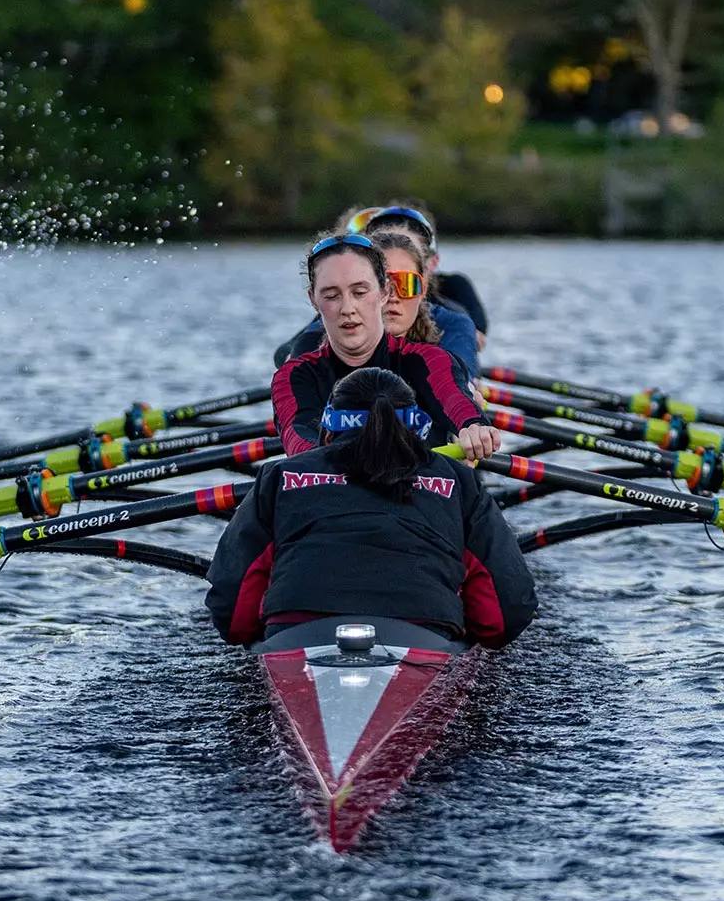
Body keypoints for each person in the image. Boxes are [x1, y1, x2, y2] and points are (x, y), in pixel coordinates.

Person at [206, 367, 536, 648]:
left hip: (295, 634)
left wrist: (257, 639)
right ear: (417, 429)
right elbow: (508, 606)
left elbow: (233, 603)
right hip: (425, 636)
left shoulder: (279, 474)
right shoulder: (458, 480)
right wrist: (468, 640)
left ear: (328, 428)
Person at [272, 232, 500, 460]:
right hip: (333, 480)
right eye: (331, 296)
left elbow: (454, 398)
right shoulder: (293, 376)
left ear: (384, 292)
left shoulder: (430, 360)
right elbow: (298, 438)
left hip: (417, 481)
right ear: (313, 300)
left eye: (359, 292)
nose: (347, 309)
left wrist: (474, 425)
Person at [272, 203, 490, 368]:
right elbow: (288, 353)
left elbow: (459, 373)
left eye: (405, 280)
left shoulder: (454, 319)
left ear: (425, 270)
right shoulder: (342, 318)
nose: (392, 295)